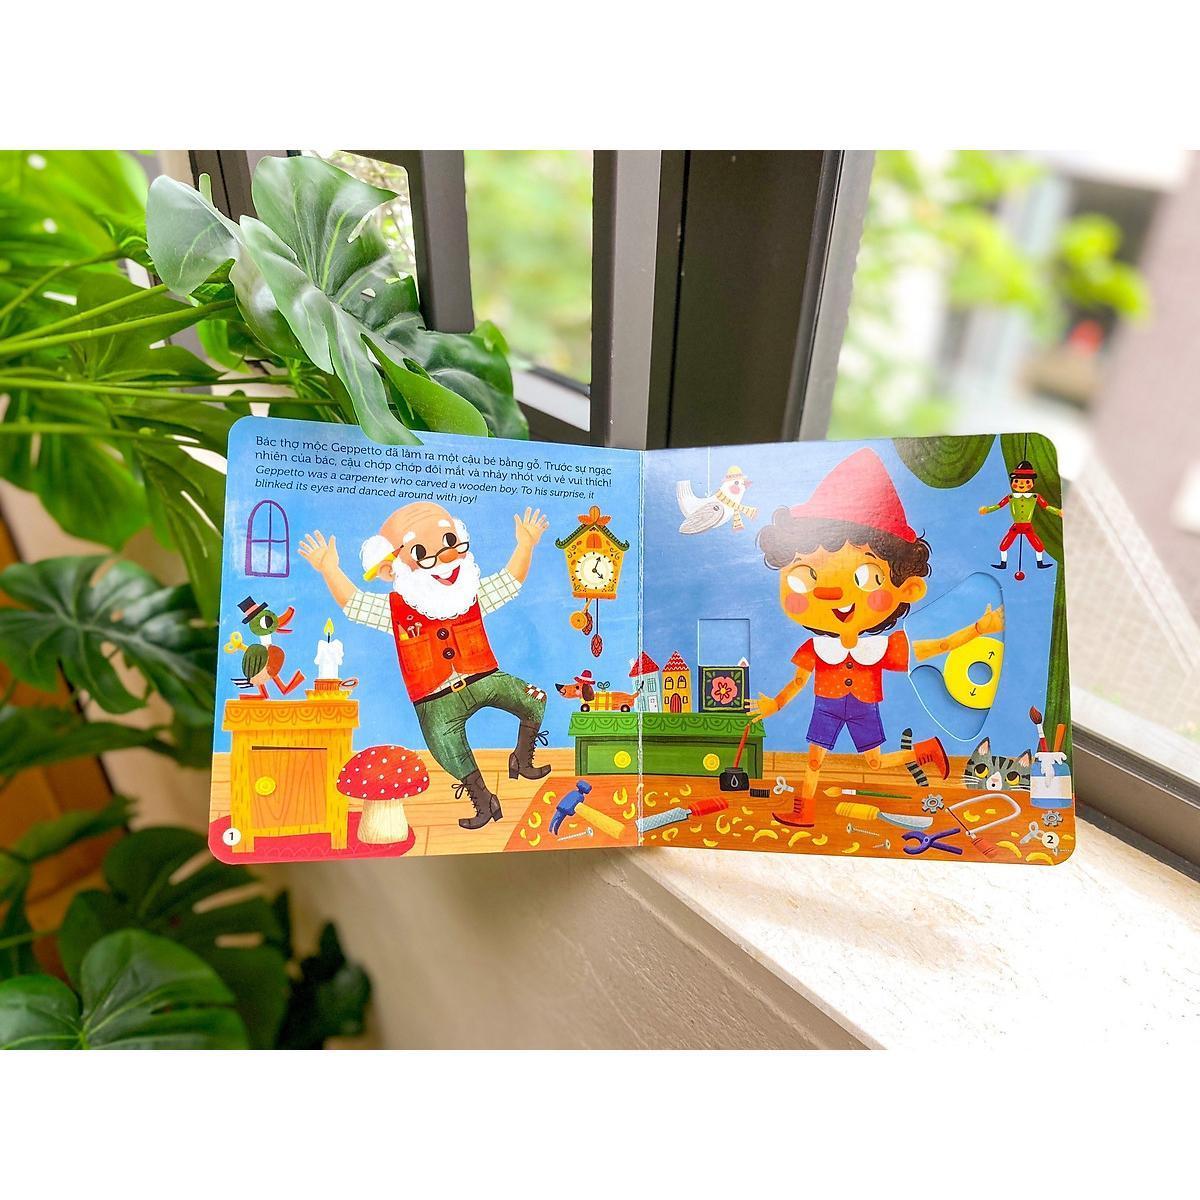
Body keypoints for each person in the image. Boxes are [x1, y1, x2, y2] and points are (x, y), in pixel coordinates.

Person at [749, 448, 1004, 827]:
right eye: (805, 577)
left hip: (864, 706)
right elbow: (799, 681)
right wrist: (776, 704)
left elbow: (932, 649)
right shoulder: (817, 648)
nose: (831, 594)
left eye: (866, 578)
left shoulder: (880, 648)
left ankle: (924, 751)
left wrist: (978, 630)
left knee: (874, 762)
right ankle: (804, 809)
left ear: (908, 588)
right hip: (826, 706)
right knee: (814, 758)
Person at [298, 504, 550, 830]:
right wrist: (329, 569)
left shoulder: (469, 594)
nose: (446, 558)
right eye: (422, 553)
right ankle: (484, 800)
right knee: (447, 747)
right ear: (392, 569)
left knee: (534, 699)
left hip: (485, 678)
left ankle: (521, 758)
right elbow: (355, 604)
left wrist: (525, 546)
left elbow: (509, 581)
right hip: (436, 700)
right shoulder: (395, 610)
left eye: (450, 542)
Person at [979, 459, 1062, 571]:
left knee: (1038, 546)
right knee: (1003, 546)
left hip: (1028, 527)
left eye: (1026, 481)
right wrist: (987, 510)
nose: (1022, 484)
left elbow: (1046, 506)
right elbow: (999, 505)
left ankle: (1040, 563)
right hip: (1016, 527)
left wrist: (1058, 512)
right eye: (1017, 481)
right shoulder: (1011, 497)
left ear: (1032, 483)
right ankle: (1003, 563)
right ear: (1013, 482)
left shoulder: (1035, 497)